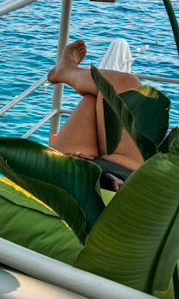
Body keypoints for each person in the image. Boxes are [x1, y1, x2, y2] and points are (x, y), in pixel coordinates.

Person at [47, 39, 143, 189]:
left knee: (121, 85)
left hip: (76, 185)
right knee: (106, 93)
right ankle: (68, 70)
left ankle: (68, 70)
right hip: (122, 173)